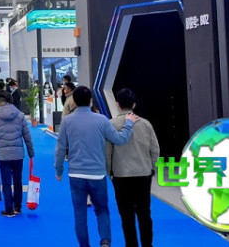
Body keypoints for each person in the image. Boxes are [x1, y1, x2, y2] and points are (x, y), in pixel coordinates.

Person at [54, 86, 139, 247]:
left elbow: (60, 148)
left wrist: (59, 170)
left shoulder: (67, 121)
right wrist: (128, 124)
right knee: (102, 210)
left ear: (74, 101)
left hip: (76, 174)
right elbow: (119, 139)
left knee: (80, 213)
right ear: (91, 100)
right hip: (97, 174)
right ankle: (105, 241)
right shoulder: (101, 120)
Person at [106, 89, 160, 247]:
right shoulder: (145, 124)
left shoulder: (111, 124)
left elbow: (107, 152)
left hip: (121, 175)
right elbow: (155, 149)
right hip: (143, 174)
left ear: (117, 104)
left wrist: (109, 171)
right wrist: (150, 167)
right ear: (134, 105)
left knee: (126, 216)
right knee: (144, 214)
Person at [0, 91, 35, 216]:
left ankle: (9, 210)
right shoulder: (19, 115)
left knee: (6, 181)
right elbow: (27, 135)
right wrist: (31, 152)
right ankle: (18, 207)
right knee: (18, 180)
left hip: (3, 154)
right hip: (18, 153)